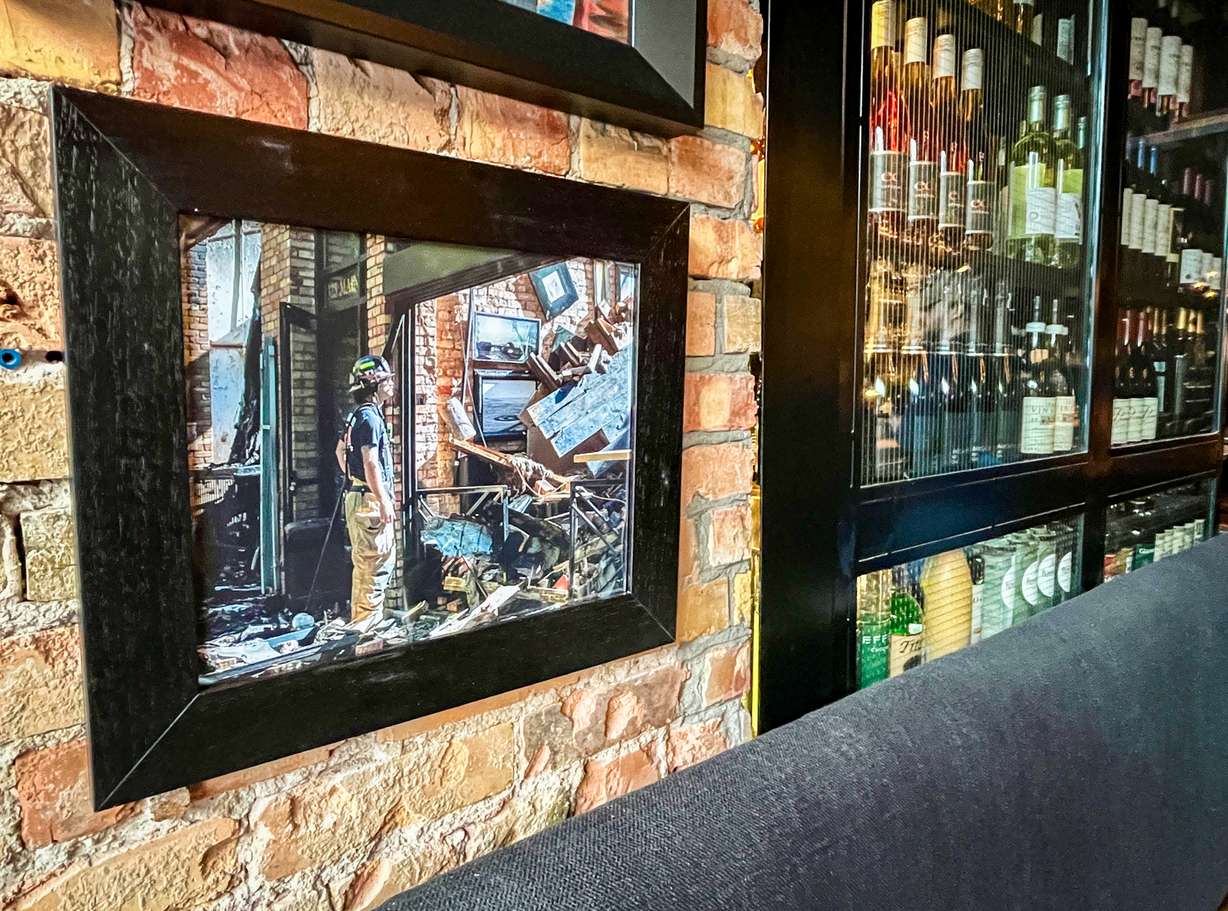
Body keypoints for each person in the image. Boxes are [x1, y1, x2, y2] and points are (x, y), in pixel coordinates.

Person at [335, 354, 397, 626]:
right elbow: (371, 462)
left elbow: (339, 451)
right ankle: (366, 632)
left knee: (365, 568)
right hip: (369, 501)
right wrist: (383, 501)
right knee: (375, 567)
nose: (392, 385)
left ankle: (362, 625)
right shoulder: (370, 418)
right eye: (387, 380)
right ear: (374, 384)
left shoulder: (357, 416)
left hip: (358, 495)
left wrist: (354, 479)